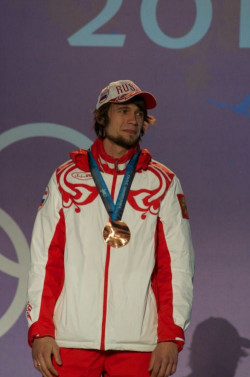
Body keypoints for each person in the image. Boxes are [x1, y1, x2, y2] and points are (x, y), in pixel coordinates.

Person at [26, 79, 195, 377]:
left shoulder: (162, 182)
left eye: (139, 114)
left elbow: (176, 266)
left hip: (139, 343)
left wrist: (170, 335)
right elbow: (45, 261)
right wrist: (41, 330)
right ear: (102, 116)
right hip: (70, 339)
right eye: (124, 110)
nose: (133, 120)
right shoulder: (66, 178)